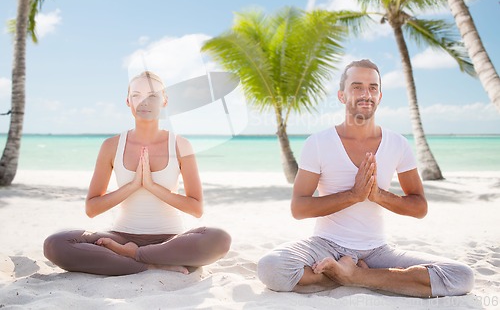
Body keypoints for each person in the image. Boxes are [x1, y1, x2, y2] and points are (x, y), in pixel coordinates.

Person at [257, 59, 474, 297]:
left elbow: (419, 207)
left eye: (372, 88)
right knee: (271, 267)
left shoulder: (398, 144)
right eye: (357, 87)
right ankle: (345, 274)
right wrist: (353, 196)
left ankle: (354, 276)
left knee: (461, 275)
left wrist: (378, 196)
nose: (366, 94)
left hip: (376, 252)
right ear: (342, 95)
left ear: (380, 96)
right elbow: (299, 208)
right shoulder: (318, 143)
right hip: (325, 245)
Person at [44, 71, 231, 276]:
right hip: (121, 237)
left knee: (219, 238)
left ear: (164, 101)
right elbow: (92, 208)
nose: (144, 102)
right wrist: (132, 186)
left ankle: (136, 256)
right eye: (136, 95)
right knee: (55, 244)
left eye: (153, 95)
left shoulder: (180, 145)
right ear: (128, 101)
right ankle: (149, 263)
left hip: (170, 241)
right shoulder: (111, 145)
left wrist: (152, 187)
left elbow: (196, 208)